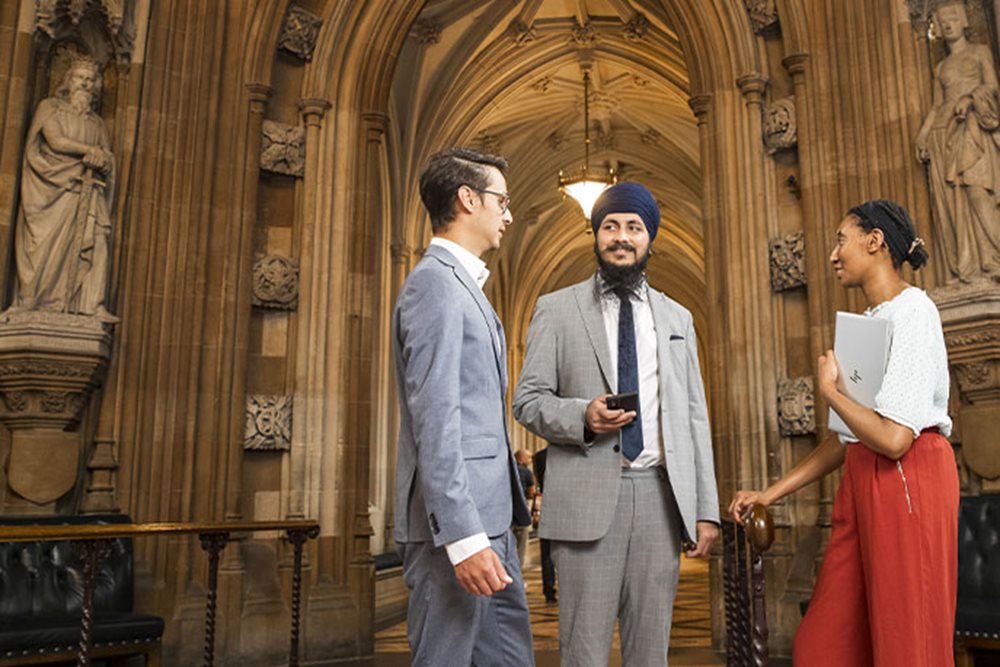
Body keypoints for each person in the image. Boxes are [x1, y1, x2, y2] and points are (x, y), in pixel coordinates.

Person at [730, 200, 958, 667]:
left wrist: (831, 393)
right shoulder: (865, 325)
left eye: (841, 240)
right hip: (861, 481)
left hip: (908, 478)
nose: (833, 254)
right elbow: (846, 439)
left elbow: (895, 439)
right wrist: (769, 495)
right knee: (823, 646)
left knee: (905, 643)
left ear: (874, 241)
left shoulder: (915, 311)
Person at [513, 181, 720, 666]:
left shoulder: (677, 318)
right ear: (596, 235)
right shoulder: (556, 309)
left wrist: (705, 508)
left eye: (633, 227)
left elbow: (694, 416)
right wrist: (581, 415)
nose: (621, 237)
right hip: (584, 499)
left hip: (658, 500)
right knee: (583, 651)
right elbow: (527, 400)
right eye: (610, 226)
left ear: (650, 238)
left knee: (650, 654)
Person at [392, 147, 534, 665]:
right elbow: (437, 420)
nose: (509, 214)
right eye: (502, 200)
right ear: (467, 199)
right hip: (458, 530)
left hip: (488, 521)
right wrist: (462, 538)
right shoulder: (435, 286)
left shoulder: (460, 287)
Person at [13, 55, 117, 320]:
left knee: (98, 241)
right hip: (51, 191)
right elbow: (55, 140)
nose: (85, 83)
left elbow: (107, 157)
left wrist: (103, 160)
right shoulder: (51, 108)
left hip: (86, 193)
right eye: (80, 77)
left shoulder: (97, 124)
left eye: (90, 79)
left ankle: (90, 304)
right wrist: (89, 151)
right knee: (44, 246)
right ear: (68, 80)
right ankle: (32, 301)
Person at [915, 1, 1000, 282]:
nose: (947, 23)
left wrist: (970, 97)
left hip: (973, 127)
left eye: (952, 17)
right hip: (943, 134)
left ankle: (993, 259)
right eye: (942, 20)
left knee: (978, 192)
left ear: (963, 19)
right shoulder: (940, 67)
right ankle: (968, 266)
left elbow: (993, 87)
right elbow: (936, 105)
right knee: (953, 206)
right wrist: (924, 134)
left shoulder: (979, 52)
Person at [532, 444, 557, 603]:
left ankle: (549, 590)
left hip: (547, 505)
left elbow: (539, 483)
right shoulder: (568, 454)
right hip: (568, 506)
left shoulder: (539, 457)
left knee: (547, 554)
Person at [513, 449, 536, 568]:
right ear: (521, 459)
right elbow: (531, 492)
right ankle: (518, 573)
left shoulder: (507, 468)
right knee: (521, 545)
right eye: (529, 458)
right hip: (521, 509)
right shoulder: (526, 472)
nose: (531, 461)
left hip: (505, 511)